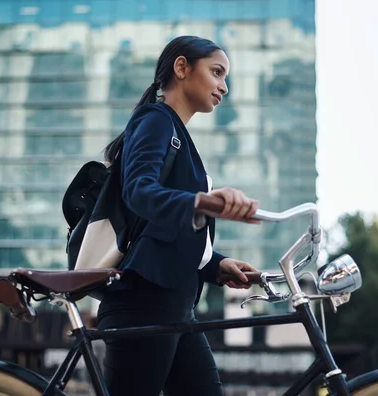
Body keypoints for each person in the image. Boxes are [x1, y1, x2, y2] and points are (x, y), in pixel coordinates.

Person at [97, 35, 260, 396]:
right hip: (144, 304)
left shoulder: (176, 134)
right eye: (217, 72)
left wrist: (215, 264)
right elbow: (139, 192)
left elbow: (160, 233)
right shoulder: (156, 119)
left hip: (175, 305)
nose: (225, 86)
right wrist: (202, 201)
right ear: (182, 68)